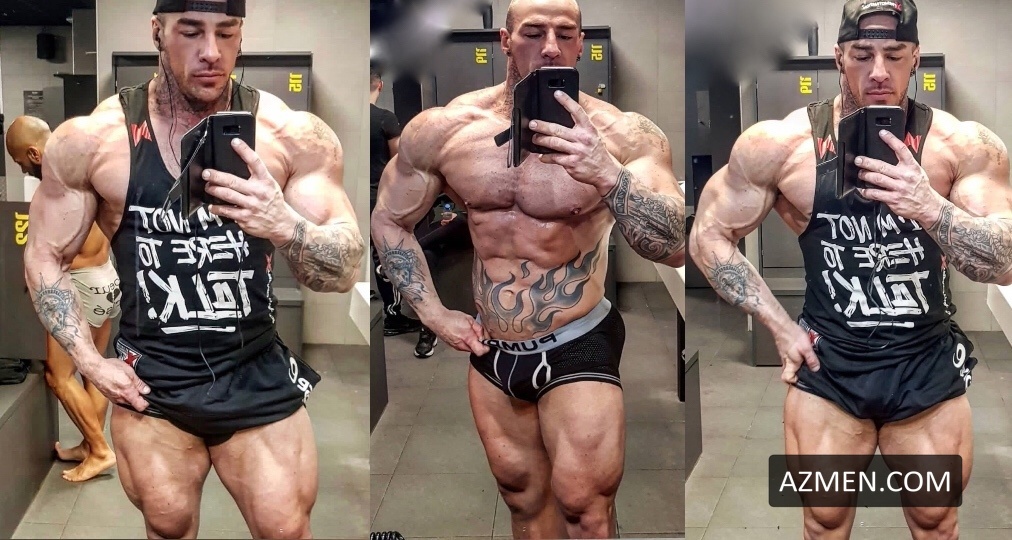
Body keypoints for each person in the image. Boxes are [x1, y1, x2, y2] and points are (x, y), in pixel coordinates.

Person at [22, 0, 363, 538]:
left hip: (253, 365)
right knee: (169, 524)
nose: (211, 52)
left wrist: (283, 224)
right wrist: (88, 360)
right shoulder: (93, 139)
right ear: (157, 32)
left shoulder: (290, 134)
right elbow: (45, 255)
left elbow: (343, 269)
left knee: (285, 529)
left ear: (241, 35)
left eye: (226, 33)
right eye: (191, 32)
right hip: (151, 375)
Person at [690, 0, 1007, 537]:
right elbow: (708, 235)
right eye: (862, 54)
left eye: (894, 54)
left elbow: (1004, 261)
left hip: (924, 366)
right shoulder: (781, 144)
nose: (878, 71)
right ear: (838, 57)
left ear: (916, 58)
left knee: (936, 522)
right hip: (828, 368)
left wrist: (930, 207)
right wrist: (779, 326)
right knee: (824, 521)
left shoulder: (961, 146)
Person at [371, 0, 685, 536]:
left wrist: (608, 175)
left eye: (565, 33)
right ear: (505, 40)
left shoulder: (624, 134)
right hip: (492, 352)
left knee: (586, 509)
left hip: (578, 341)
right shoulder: (446, 129)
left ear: (581, 43)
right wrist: (432, 314)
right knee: (522, 499)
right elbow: (389, 220)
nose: (551, 47)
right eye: (534, 32)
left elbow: (675, 246)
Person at [6, 115, 121, 483]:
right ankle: (90, 445)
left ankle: (99, 450)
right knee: (94, 368)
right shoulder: (90, 168)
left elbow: (53, 254)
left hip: (80, 284)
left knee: (58, 376)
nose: (21, 169)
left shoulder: (58, 187)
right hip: (106, 277)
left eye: (19, 161)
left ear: (34, 153)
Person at [370, 68, 423, 338]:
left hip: (360, 197)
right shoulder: (385, 118)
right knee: (385, 257)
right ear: (379, 85)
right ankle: (392, 316)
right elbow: (399, 163)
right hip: (380, 198)